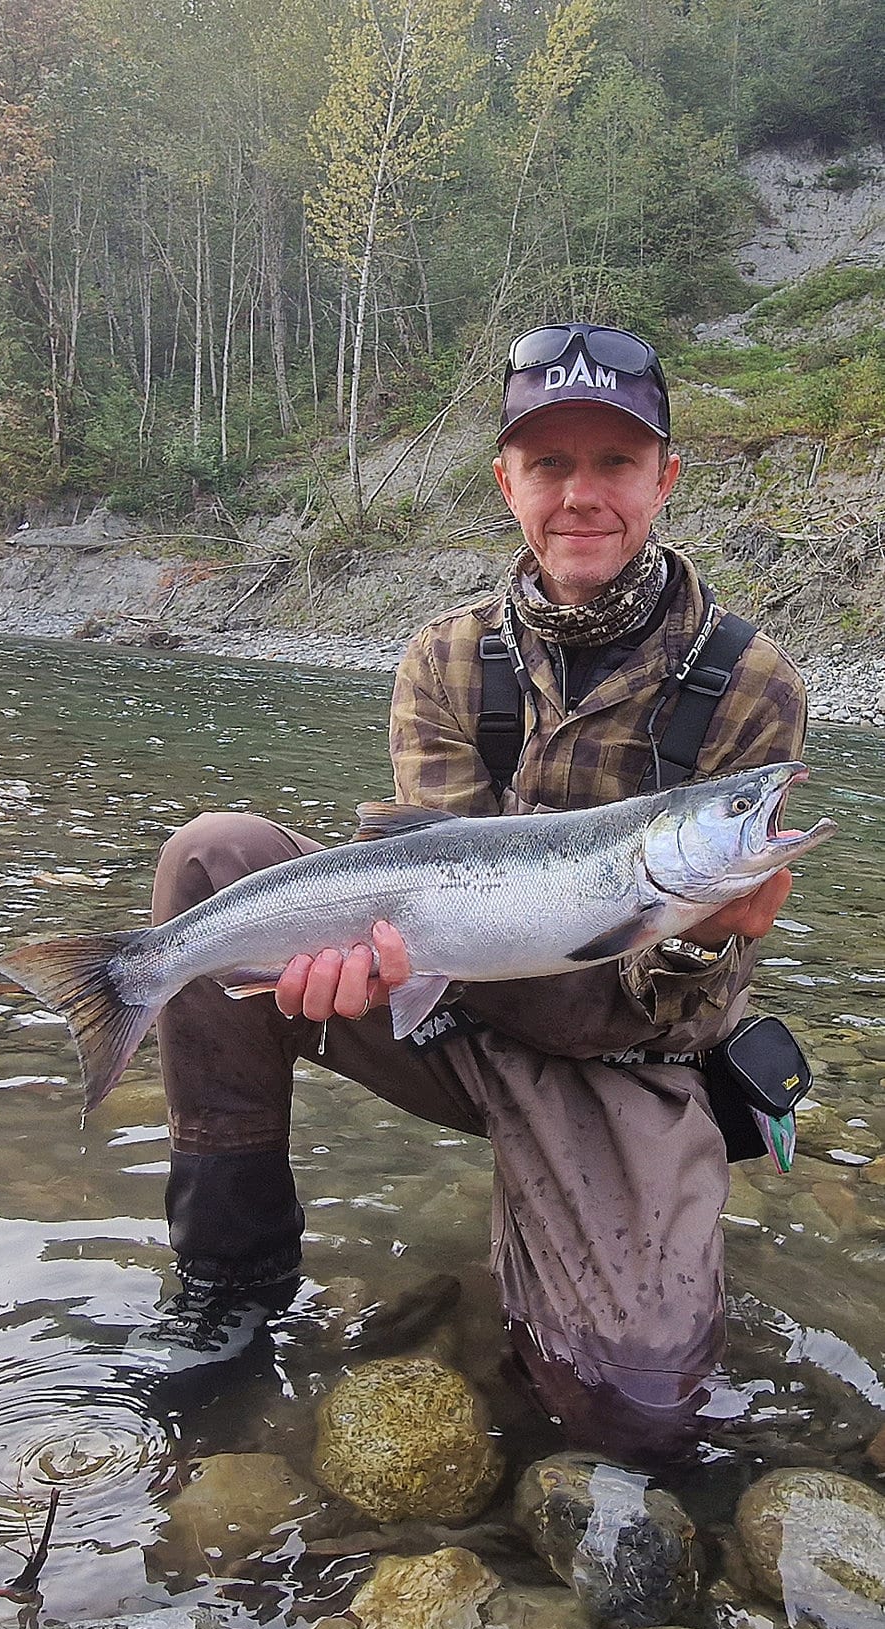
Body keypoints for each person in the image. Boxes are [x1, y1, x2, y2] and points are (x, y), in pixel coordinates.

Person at [148, 321, 806, 1452]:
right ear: (508, 481)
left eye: (615, 463)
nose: (582, 495)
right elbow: (434, 882)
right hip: (452, 998)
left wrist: (705, 941)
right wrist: (364, 964)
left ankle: (561, 1257)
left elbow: (686, 1002)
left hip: (626, 1051)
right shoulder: (446, 658)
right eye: (551, 464)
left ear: (665, 479)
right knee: (213, 859)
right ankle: (230, 1279)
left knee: (637, 1411)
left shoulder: (749, 683)